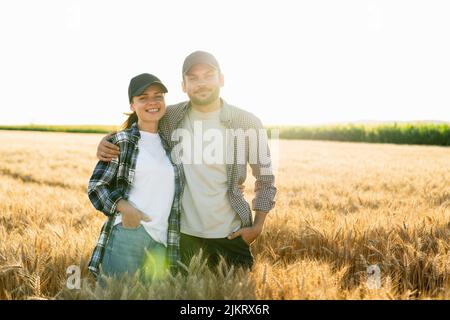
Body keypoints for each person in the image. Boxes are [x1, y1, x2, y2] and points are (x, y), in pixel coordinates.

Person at [96, 51, 276, 270]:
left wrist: (257, 227)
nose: (201, 83)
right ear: (183, 85)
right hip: (182, 237)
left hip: (231, 236)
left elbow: (265, 179)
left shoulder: (247, 122)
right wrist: (109, 140)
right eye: (193, 78)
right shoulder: (171, 116)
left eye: (208, 75)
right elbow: (142, 122)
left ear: (221, 79)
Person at [87, 73, 184, 281]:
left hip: (163, 239)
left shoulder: (171, 144)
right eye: (143, 98)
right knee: (115, 294)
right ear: (132, 105)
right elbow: (97, 187)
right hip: (130, 232)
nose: (152, 102)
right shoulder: (121, 141)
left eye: (158, 96)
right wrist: (125, 208)